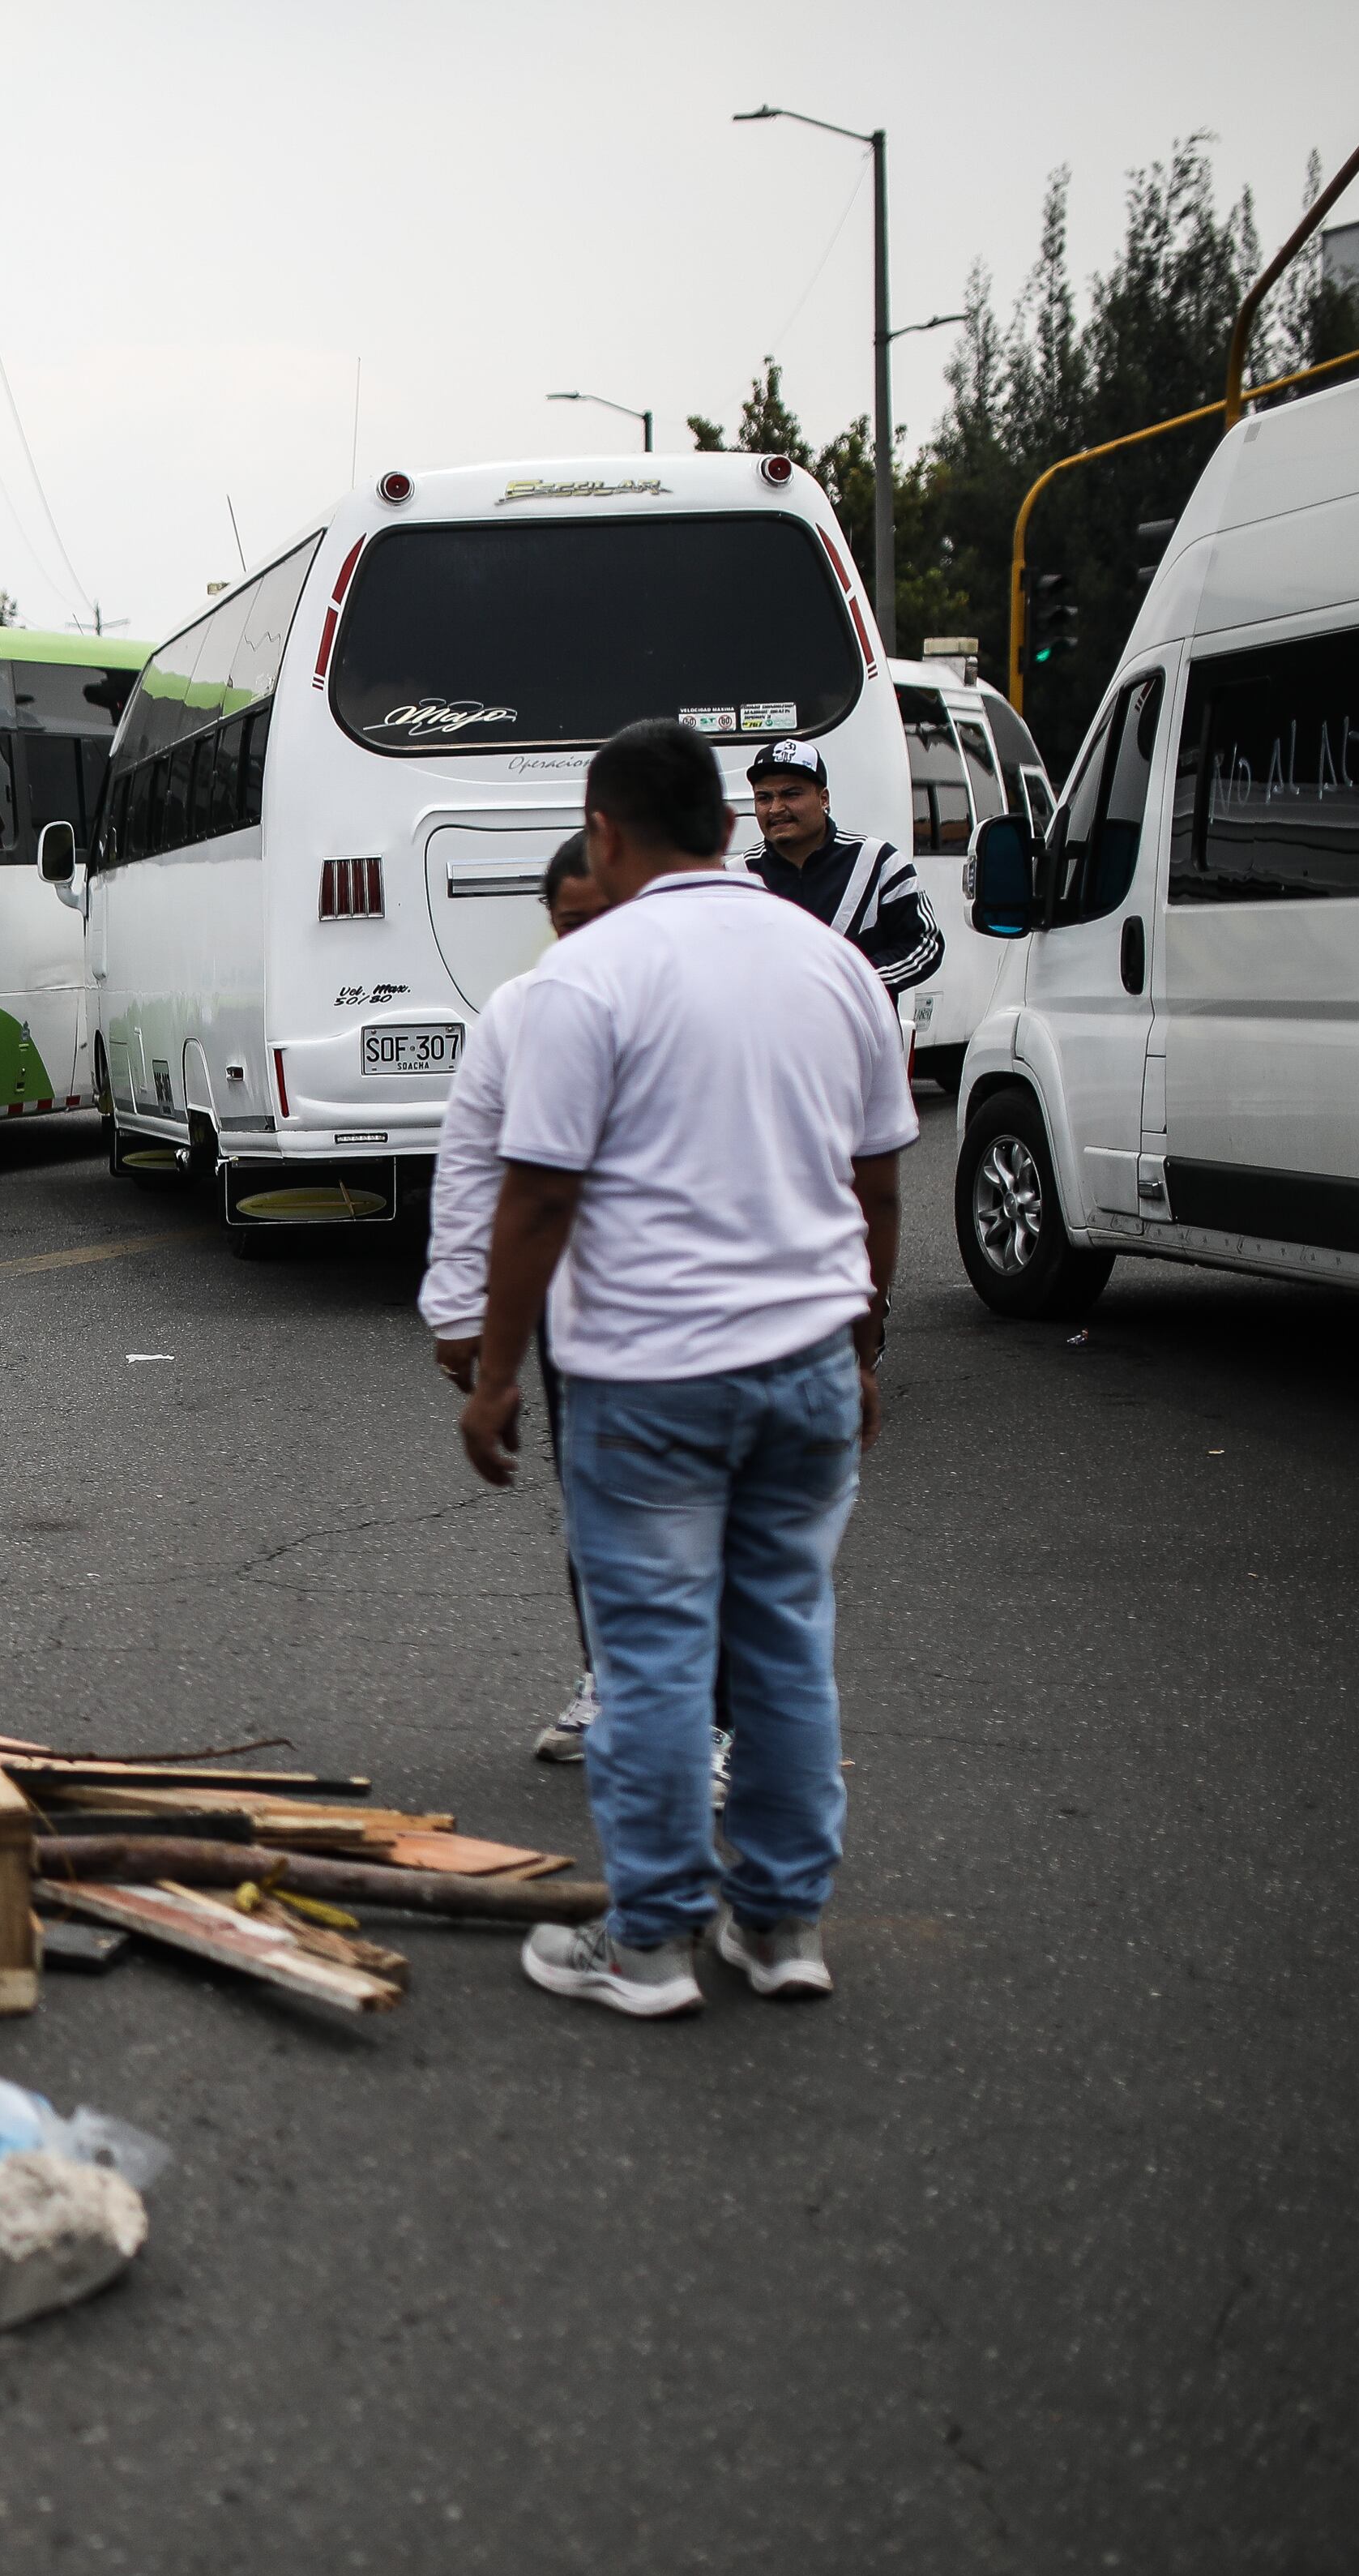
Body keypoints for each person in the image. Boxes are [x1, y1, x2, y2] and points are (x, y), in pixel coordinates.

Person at [457, 717, 913, 2019]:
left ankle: (648, 1943)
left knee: (655, 1659)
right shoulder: (832, 964)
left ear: (602, 833)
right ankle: (780, 1928)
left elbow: (536, 1198)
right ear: (726, 821)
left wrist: (496, 1376)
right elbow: (876, 1183)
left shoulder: (586, 978)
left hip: (645, 1380)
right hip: (807, 1362)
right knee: (783, 1645)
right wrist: (863, 1343)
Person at [422, 831, 613, 1762]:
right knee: (592, 1512)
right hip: (585, 1323)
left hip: (728, 1328)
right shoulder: (526, 1009)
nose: (581, 941)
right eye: (566, 923)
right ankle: (608, 1680)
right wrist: (463, 1313)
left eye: (598, 920)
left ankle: (719, 1723)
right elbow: (475, 1165)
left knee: (718, 1540)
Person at [743, 736, 939, 1001]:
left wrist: (852, 982)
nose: (776, 808)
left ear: (823, 799)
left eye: (791, 794)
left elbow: (925, 944)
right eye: (764, 797)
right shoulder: (737, 875)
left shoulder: (879, 862)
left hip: (856, 1036)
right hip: (766, 1039)